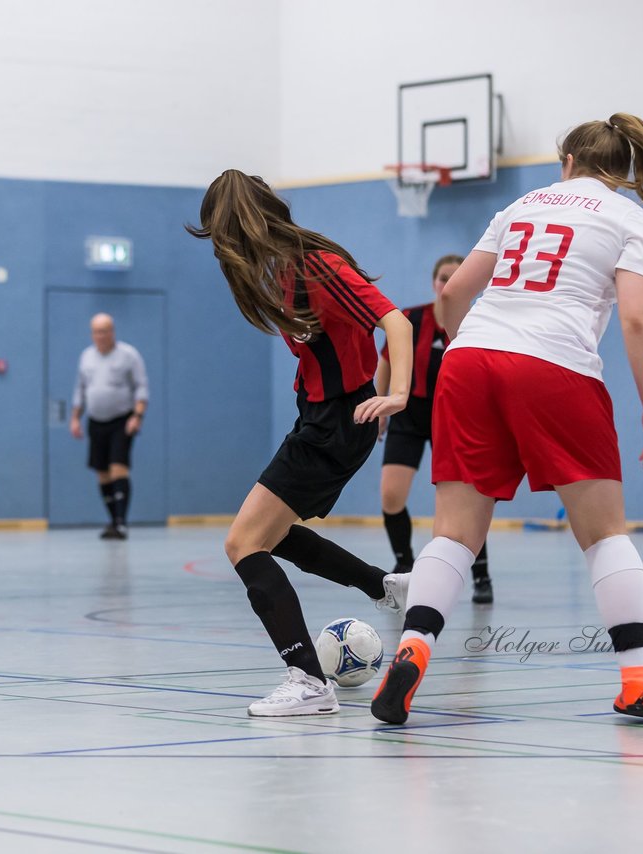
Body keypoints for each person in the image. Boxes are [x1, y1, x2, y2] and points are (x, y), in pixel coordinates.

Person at [372, 113, 643, 725]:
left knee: (455, 534)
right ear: (622, 172)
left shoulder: (522, 204)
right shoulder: (628, 217)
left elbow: (453, 294)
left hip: (468, 361)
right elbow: (638, 321)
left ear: (566, 162)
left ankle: (411, 650)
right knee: (603, 534)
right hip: (556, 365)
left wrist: (471, 346)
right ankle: (638, 679)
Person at [188, 169, 415, 717]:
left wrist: (398, 394)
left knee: (243, 544)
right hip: (317, 420)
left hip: (335, 424)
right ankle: (383, 587)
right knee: (274, 534)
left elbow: (396, 322)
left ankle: (309, 682)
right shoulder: (283, 270)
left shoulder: (316, 265)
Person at [377, 254, 494, 603]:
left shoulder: (479, 323)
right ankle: (404, 565)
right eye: (443, 277)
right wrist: (382, 404)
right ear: (434, 282)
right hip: (409, 414)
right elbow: (386, 361)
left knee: (466, 499)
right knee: (390, 495)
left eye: (456, 278)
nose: (448, 284)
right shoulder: (411, 319)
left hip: (456, 417)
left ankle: (481, 574)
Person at [69, 313, 148, 540]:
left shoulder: (128, 355)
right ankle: (113, 521)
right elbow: (80, 389)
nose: (101, 336)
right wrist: (75, 418)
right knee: (103, 474)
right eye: (96, 331)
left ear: (112, 331)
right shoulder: (86, 357)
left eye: (105, 331)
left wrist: (138, 415)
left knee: (118, 468)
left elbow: (141, 387)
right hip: (96, 421)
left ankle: (122, 523)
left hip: (122, 420)